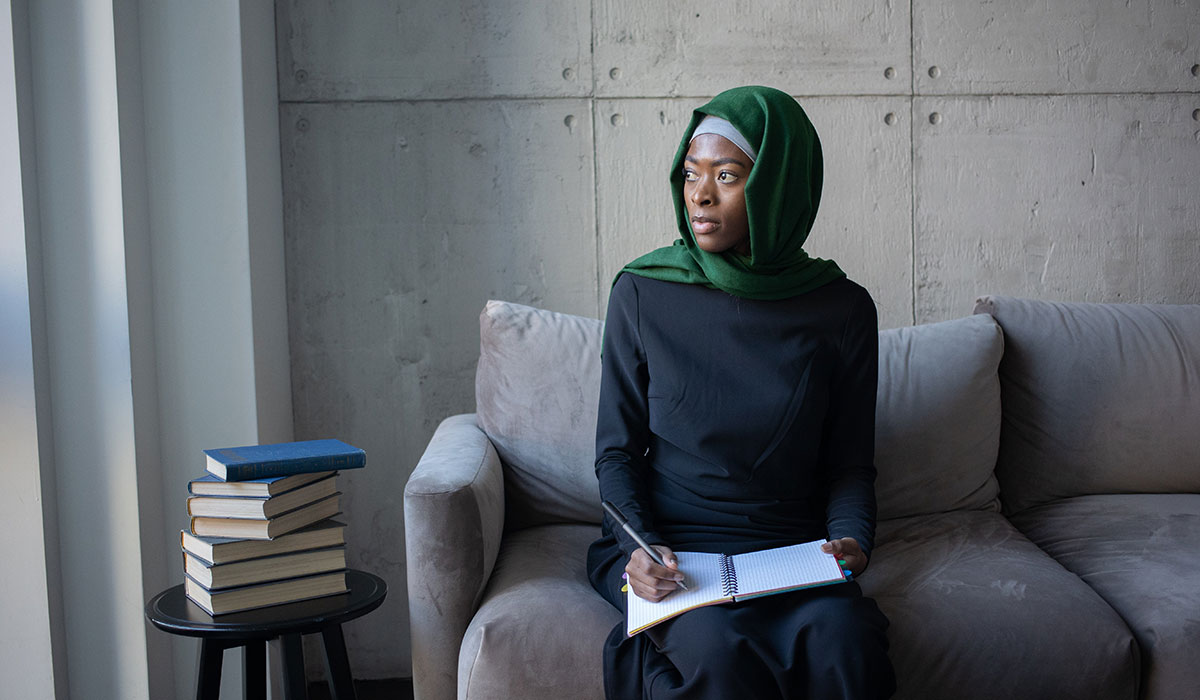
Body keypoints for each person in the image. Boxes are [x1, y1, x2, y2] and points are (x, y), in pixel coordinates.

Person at [586, 85, 897, 700]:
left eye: (727, 176)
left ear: (778, 186)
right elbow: (616, 454)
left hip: (791, 550)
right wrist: (639, 550)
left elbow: (849, 463)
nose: (700, 194)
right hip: (679, 552)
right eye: (691, 173)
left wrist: (853, 538)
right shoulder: (643, 292)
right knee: (719, 659)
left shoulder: (842, 308)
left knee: (846, 644)